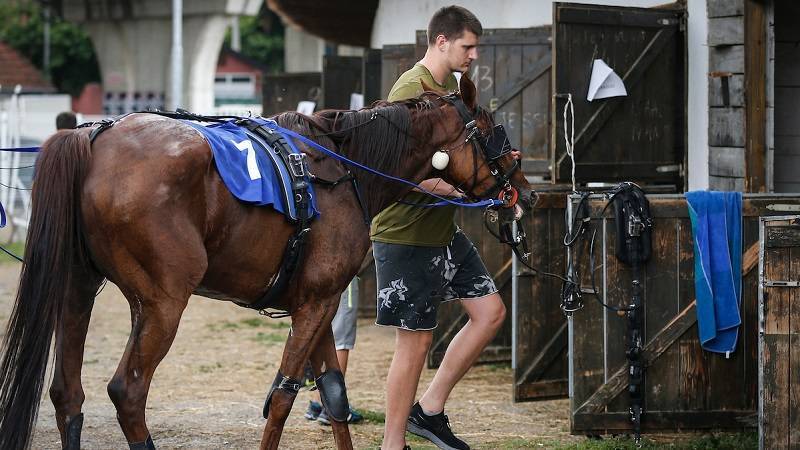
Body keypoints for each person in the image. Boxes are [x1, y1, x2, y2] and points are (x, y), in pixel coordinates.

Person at [371, 6, 506, 450]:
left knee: (490, 314)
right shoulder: (410, 88)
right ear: (442, 41)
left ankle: (427, 411)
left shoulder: (452, 89)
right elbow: (389, 167)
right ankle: (393, 444)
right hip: (404, 232)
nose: (474, 56)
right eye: (468, 46)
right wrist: (455, 192)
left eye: (476, 47)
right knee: (415, 343)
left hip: (442, 231)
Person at [302, 277, 364, 425]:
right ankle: (333, 407)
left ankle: (317, 402)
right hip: (340, 271)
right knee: (341, 340)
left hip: (315, 271)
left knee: (321, 336)